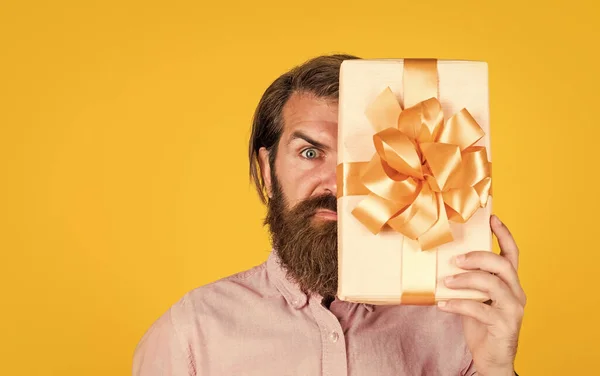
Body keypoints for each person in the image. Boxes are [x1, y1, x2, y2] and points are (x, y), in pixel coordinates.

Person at [132, 54, 526, 376]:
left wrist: (495, 367)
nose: (337, 185)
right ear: (268, 171)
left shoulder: (459, 323)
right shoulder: (192, 333)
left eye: (360, 157)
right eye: (309, 153)